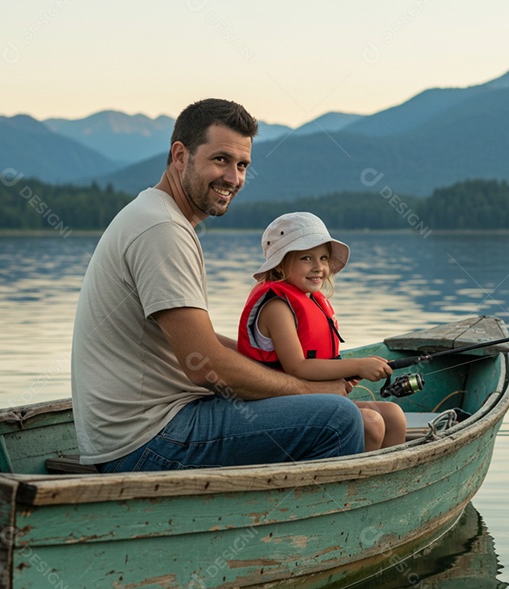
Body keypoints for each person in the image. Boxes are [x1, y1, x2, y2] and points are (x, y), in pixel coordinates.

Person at [71, 99, 365, 473]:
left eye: (242, 165)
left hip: (149, 427)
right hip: (146, 443)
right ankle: (322, 530)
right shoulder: (161, 229)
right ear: (180, 156)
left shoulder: (157, 216)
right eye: (221, 160)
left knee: (333, 407)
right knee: (336, 418)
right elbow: (204, 364)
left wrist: (288, 373)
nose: (234, 178)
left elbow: (202, 343)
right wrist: (309, 389)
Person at [238, 212, 408, 451]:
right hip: (274, 405)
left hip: (307, 398)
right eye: (306, 258)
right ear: (280, 265)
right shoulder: (276, 306)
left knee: (394, 416)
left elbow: (315, 363)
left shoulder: (312, 300)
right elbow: (297, 366)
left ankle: (392, 486)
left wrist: (345, 376)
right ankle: (356, 486)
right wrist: (358, 365)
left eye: (324, 258)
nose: (318, 267)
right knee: (371, 423)